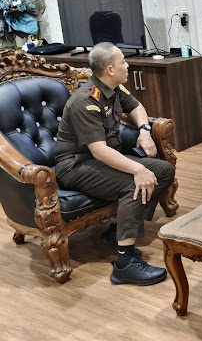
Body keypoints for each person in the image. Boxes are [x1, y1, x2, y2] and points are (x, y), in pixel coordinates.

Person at [55, 42, 175, 286]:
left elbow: (137, 106)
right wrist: (138, 169)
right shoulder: (85, 101)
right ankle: (124, 264)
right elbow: (98, 150)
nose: (127, 65)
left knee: (164, 170)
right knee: (134, 183)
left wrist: (144, 131)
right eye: (123, 62)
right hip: (76, 165)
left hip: (102, 157)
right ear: (110, 69)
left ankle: (117, 231)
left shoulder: (114, 88)